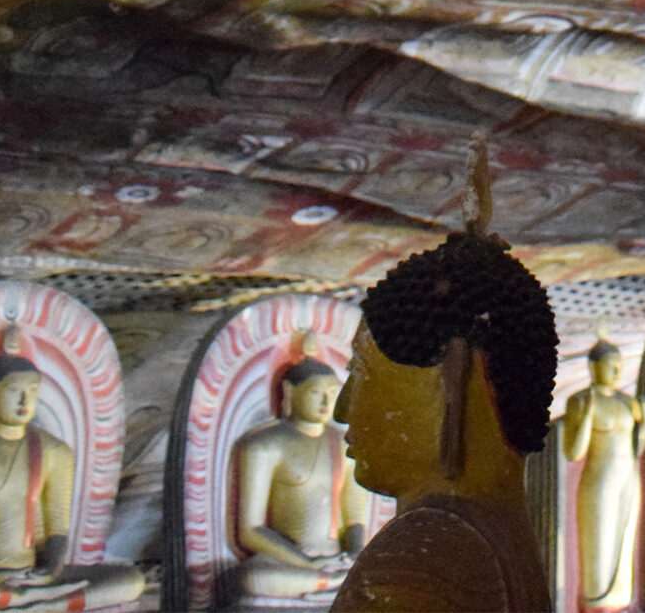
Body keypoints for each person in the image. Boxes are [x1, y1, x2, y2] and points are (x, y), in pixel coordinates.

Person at [332, 199, 556, 612]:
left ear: (454, 378)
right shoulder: (498, 535)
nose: (342, 409)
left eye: (360, 373)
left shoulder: (420, 557)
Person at [0, 342, 148, 608]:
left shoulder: (55, 451)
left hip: (36, 578)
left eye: (33, 391)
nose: (25, 401)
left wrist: (49, 570)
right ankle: (38, 603)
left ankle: (40, 604)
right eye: (14, 391)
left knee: (130, 579)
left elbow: (57, 531)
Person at [232, 357, 370, 604]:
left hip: (338, 559)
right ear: (290, 391)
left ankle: (337, 581)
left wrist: (356, 555)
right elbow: (250, 531)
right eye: (316, 392)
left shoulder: (346, 445)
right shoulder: (264, 446)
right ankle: (332, 584)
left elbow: (356, 517)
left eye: (332, 392)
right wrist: (307, 562)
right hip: (289, 561)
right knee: (254, 577)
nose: (327, 402)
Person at [559, 337, 645, 610]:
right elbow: (573, 452)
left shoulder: (628, 403)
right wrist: (587, 416)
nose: (616, 372)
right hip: (599, 483)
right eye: (611, 366)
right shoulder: (581, 401)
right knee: (599, 554)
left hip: (627, 480)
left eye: (619, 366)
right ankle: (595, 605)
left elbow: (637, 448)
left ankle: (619, 605)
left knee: (624, 546)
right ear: (594, 367)